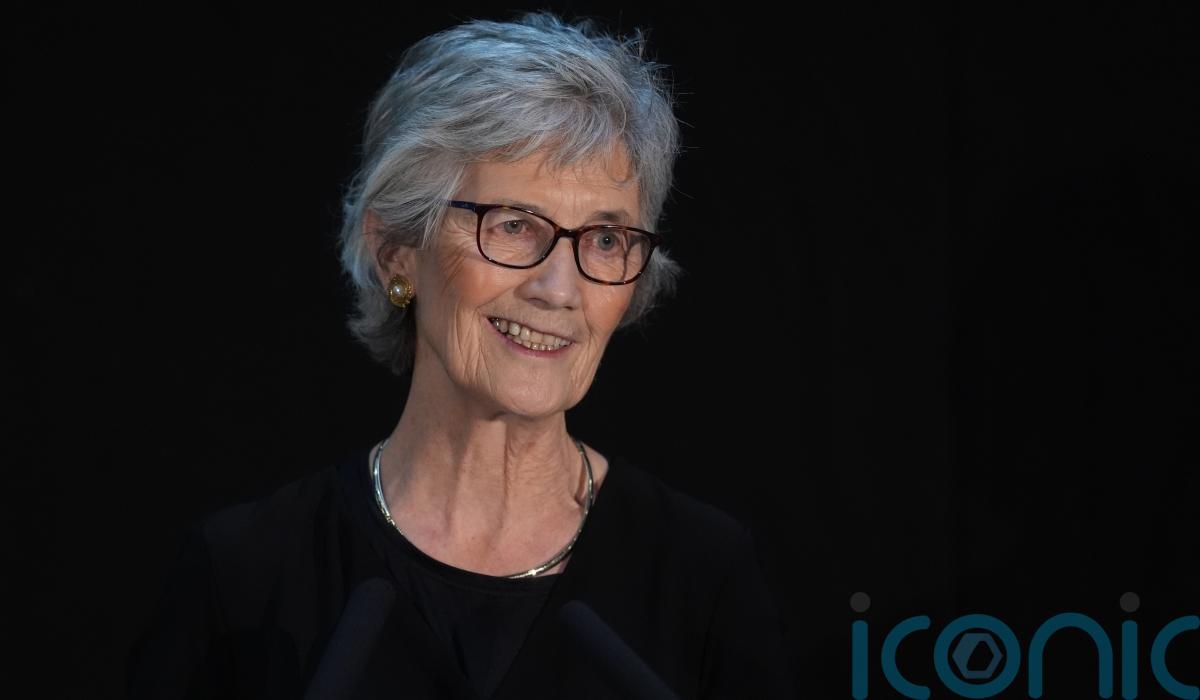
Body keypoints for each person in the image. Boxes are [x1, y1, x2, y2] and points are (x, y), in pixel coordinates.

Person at [129, 11, 793, 699]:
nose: (559, 290)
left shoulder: (704, 576)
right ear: (397, 253)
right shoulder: (244, 577)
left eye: (603, 240)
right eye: (513, 225)